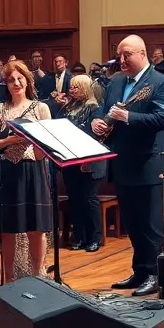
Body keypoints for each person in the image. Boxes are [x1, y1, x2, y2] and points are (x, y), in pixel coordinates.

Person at [92, 35, 164, 296]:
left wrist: (129, 116)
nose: (121, 60)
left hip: (148, 162)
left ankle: (155, 273)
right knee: (131, 221)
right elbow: (106, 110)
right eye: (119, 55)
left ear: (142, 53)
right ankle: (140, 270)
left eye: (126, 54)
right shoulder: (117, 80)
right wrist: (98, 121)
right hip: (123, 160)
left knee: (150, 223)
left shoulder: (159, 82)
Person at [0, 61, 54, 282]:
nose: (16, 83)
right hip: (7, 170)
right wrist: (9, 140)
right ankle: (9, 278)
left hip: (33, 168)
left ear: (27, 80)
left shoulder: (40, 108)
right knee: (8, 229)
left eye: (20, 78)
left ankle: (38, 275)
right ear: (5, 84)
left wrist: (35, 143)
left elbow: (50, 141)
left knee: (37, 228)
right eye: (11, 80)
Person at [61, 74, 105, 252]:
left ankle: (94, 238)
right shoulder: (66, 107)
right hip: (70, 159)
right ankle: (78, 237)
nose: (71, 90)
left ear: (86, 89)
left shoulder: (94, 108)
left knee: (89, 199)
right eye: (71, 87)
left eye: (76, 87)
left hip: (90, 160)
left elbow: (94, 133)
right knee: (75, 200)